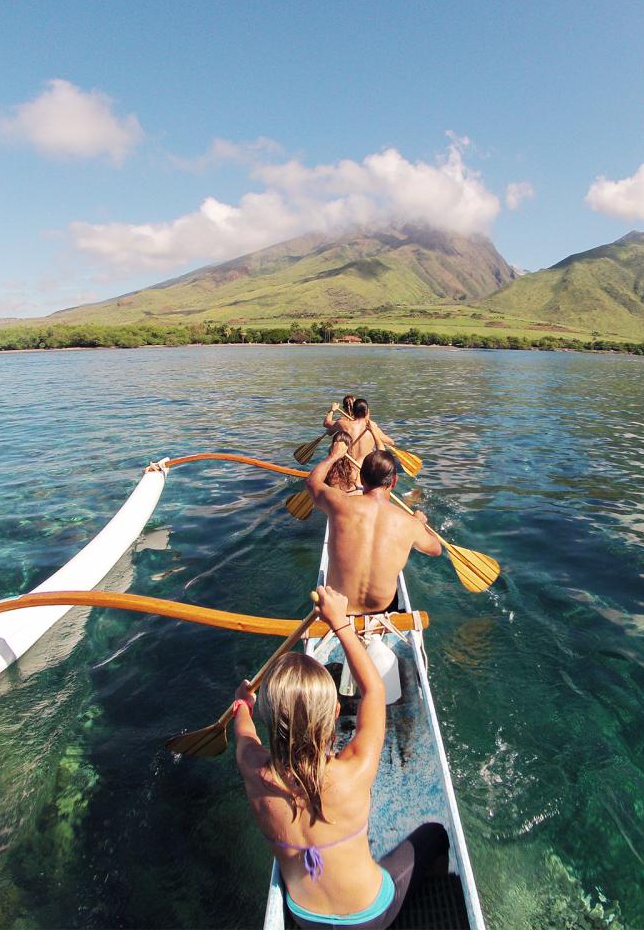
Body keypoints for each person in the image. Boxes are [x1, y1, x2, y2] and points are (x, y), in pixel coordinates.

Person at [233, 584, 450, 929]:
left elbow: (243, 730)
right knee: (437, 835)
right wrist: (341, 624)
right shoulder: (355, 768)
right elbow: (374, 691)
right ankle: (436, 904)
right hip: (372, 916)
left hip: (304, 918)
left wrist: (242, 702)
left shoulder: (252, 767)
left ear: (269, 720)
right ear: (335, 711)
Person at [306, 441, 441, 615]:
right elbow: (435, 549)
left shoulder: (339, 503)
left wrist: (333, 456)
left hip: (339, 607)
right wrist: (420, 523)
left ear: (361, 478)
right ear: (394, 481)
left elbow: (312, 483)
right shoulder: (410, 523)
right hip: (383, 609)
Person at [322, 397, 397, 461]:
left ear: (353, 411)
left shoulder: (343, 424)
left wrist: (332, 410)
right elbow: (391, 442)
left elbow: (326, 423)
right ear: (367, 412)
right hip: (364, 470)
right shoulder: (373, 427)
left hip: (347, 467)